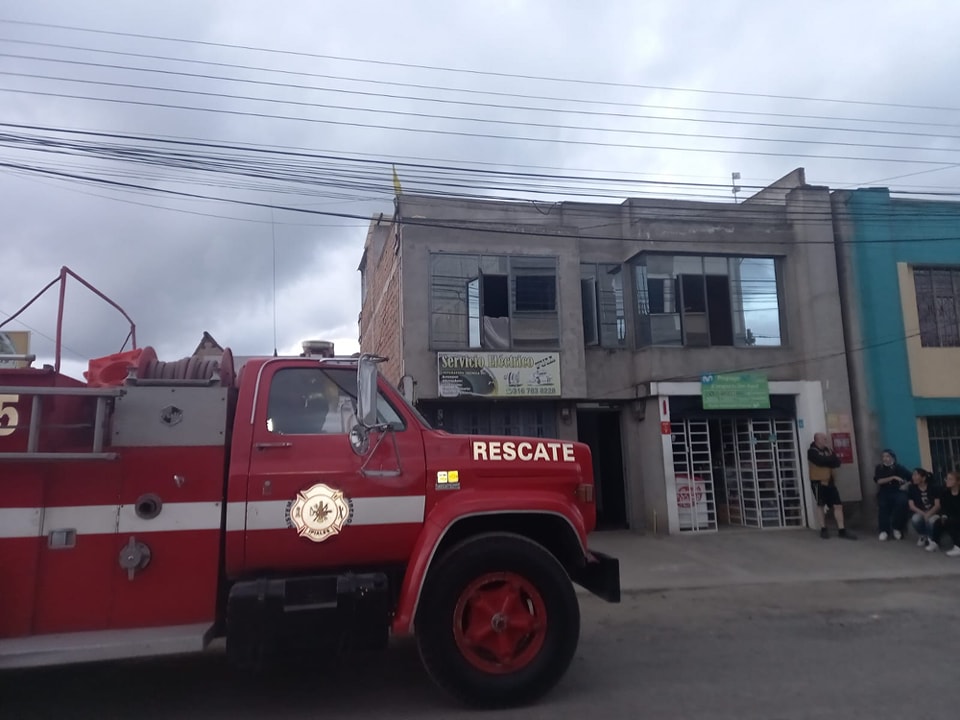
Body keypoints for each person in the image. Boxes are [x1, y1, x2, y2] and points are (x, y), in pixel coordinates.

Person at [807, 432, 855, 539]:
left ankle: (842, 530)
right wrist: (829, 460)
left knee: (838, 505)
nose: (826, 441)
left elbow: (837, 462)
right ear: (817, 440)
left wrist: (828, 460)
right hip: (817, 481)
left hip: (830, 481)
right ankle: (823, 529)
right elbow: (819, 461)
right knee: (820, 504)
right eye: (824, 439)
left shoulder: (828, 450)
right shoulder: (811, 451)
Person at [873, 449, 911, 541]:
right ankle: (884, 531)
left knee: (902, 503)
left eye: (887, 456)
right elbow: (879, 481)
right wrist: (893, 477)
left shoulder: (899, 467)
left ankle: (897, 528)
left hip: (897, 490)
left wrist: (906, 485)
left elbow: (911, 478)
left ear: (892, 457)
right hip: (885, 491)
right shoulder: (879, 468)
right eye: (883, 457)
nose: (885, 459)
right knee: (883, 506)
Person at [907, 468, 940, 551]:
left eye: (915, 475)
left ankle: (932, 540)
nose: (913, 477)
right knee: (915, 519)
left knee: (931, 521)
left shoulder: (934, 487)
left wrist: (929, 514)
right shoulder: (912, 488)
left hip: (934, 511)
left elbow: (937, 505)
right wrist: (924, 514)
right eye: (913, 475)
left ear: (923, 478)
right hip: (922, 511)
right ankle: (923, 535)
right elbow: (912, 506)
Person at [932, 471, 960, 557]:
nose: (947, 481)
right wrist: (944, 515)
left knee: (951, 522)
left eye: (950, 479)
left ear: (958, 482)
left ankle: (958, 547)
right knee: (938, 522)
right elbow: (943, 507)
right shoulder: (945, 493)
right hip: (951, 516)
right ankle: (935, 543)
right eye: (946, 479)